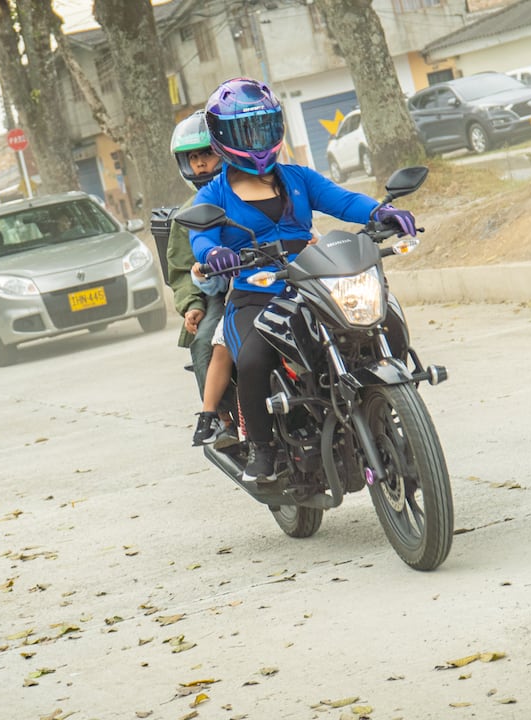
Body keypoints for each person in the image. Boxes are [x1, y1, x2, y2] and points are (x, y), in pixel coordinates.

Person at [189, 78, 418, 482]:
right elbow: (200, 235)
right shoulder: (213, 194)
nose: (256, 139)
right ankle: (261, 449)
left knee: (379, 321)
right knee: (254, 359)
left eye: (262, 127)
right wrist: (213, 253)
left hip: (311, 283)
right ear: (223, 137)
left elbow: (343, 200)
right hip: (255, 297)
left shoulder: (298, 178)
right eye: (245, 131)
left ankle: (393, 406)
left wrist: (379, 212)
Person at [160, 110, 234, 445]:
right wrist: (192, 304)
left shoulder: (257, 187)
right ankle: (220, 417)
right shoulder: (187, 214)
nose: (202, 163)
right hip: (220, 291)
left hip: (275, 274)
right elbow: (180, 270)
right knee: (206, 339)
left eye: (208, 153)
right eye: (194, 157)